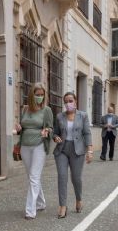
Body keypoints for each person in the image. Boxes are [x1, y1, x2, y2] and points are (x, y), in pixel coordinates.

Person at [13, 82, 54, 219]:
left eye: (42, 95)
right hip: (25, 146)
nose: (40, 97)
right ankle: (41, 203)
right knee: (32, 176)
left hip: (39, 145)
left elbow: (50, 127)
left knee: (34, 177)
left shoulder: (46, 110)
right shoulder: (25, 109)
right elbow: (23, 127)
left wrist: (46, 130)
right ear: (32, 95)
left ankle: (30, 211)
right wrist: (19, 128)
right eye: (37, 95)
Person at [52, 92, 93, 218]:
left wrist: (90, 151)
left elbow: (87, 133)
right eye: (66, 101)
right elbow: (55, 132)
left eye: (70, 101)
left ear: (75, 101)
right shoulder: (59, 116)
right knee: (62, 177)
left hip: (78, 151)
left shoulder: (83, 116)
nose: (68, 103)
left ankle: (78, 199)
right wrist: (55, 137)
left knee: (76, 178)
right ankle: (62, 206)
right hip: (62, 150)